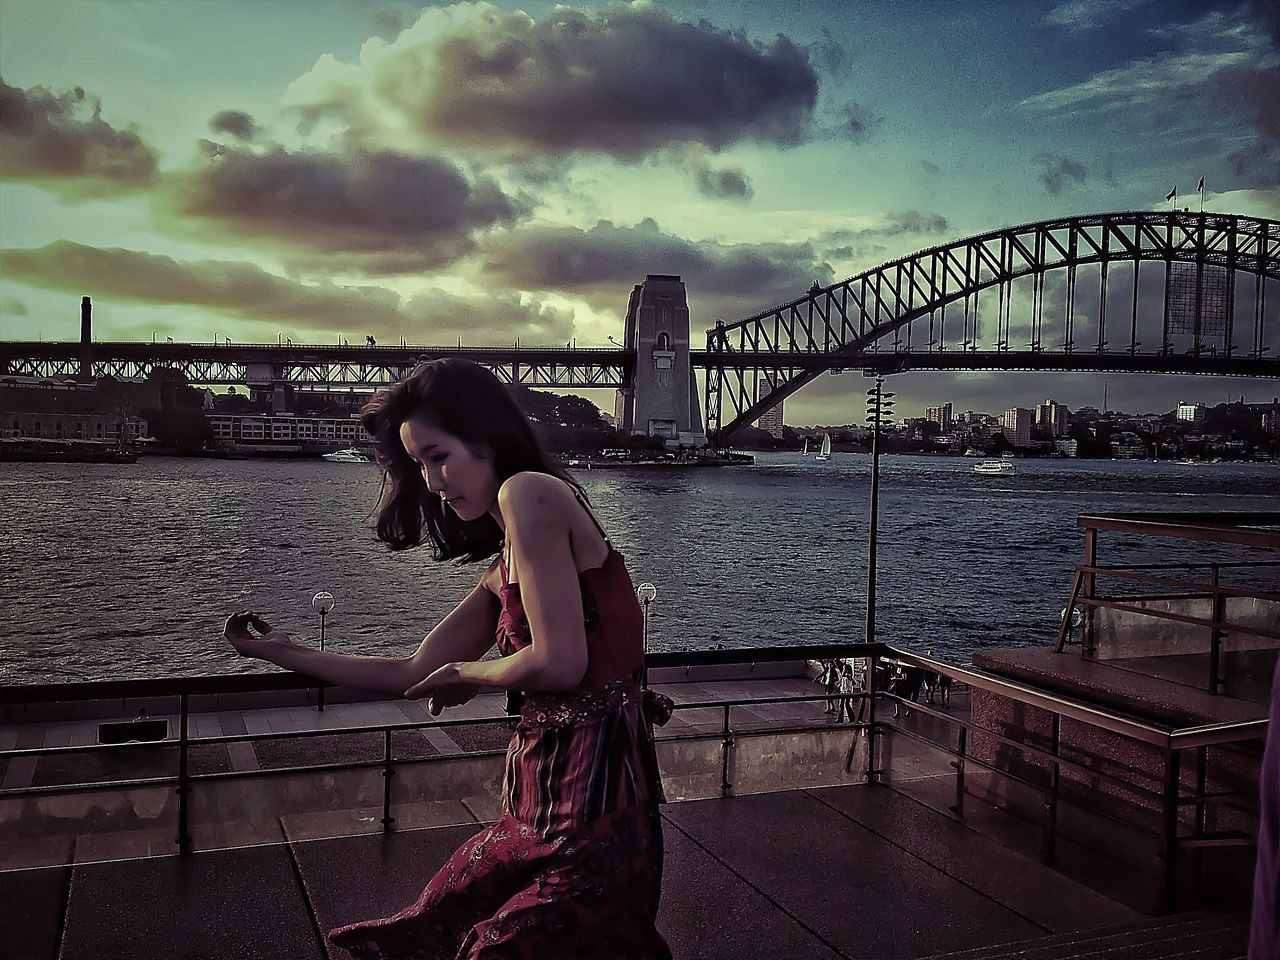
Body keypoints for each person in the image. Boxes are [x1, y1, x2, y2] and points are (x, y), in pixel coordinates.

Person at [224, 358, 673, 960]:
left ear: (486, 439)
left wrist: (471, 674)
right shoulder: (505, 566)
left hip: (594, 821)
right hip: (536, 812)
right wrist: (290, 653)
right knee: (439, 926)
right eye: (419, 464)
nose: (432, 481)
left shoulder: (529, 492)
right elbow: (412, 673)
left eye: (439, 456)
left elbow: (562, 662)